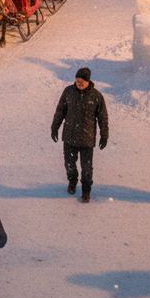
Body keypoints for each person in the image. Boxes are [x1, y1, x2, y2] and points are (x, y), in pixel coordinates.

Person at [50, 67, 109, 202]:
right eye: (77, 81)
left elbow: (103, 117)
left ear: (88, 81)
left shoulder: (96, 96)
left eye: (82, 81)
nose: (79, 84)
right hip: (69, 137)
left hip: (86, 139)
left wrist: (104, 135)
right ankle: (72, 181)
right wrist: (54, 127)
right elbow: (60, 111)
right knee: (69, 164)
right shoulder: (68, 92)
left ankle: (86, 190)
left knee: (87, 168)